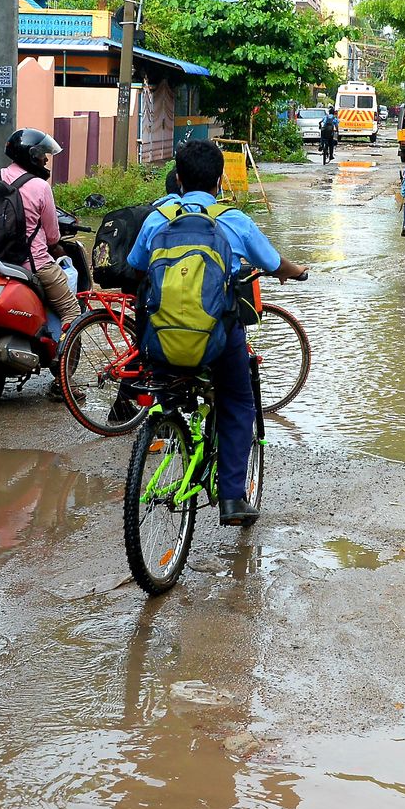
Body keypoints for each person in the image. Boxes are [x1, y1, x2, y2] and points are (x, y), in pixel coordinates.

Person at [126, 140, 308, 527]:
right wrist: (298, 272)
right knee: (238, 403)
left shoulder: (159, 216)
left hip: (159, 340)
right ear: (220, 179)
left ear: (177, 177)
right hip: (218, 342)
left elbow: (135, 265)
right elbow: (275, 263)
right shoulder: (234, 220)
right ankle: (230, 498)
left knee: (163, 389)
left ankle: (167, 424)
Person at [0, 127, 82, 376]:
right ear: (32, 156)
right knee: (72, 310)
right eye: (43, 154)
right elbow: (53, 236)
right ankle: (63, 381)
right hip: (32, 266)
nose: (46, 159)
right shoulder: (39, 187)